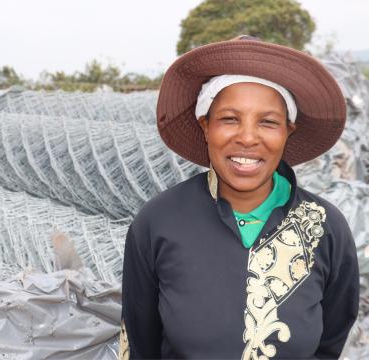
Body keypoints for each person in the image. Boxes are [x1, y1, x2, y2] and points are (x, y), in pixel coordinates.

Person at [119, 35, 359, 359]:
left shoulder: (325, 227)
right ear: (205, 126)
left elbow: (329, 343)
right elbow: (139, 344)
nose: (247, 138)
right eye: (230, 119)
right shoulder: (158, 222)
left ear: (289, 131)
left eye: (268, 122)